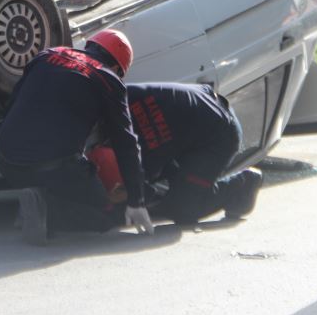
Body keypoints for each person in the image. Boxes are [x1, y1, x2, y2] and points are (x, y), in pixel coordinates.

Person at [0, 30, 153, 246]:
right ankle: (47, 210)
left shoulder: (47, 55)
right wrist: (137, 200)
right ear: (117, 67)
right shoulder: (109, 80)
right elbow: (126, 143)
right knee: (105, 216)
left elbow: (14, 102)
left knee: (55, 168)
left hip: (5, 160)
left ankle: (35, 199)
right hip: (51, 168)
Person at [87, 82, 263, 225]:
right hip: (191, 124)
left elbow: (140, 190)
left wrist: (119, 198)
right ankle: (185, 188)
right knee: (166, 192)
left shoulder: (145, 154)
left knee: (182, 208)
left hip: (218, 136)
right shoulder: (121, 97)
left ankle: (242, 182)